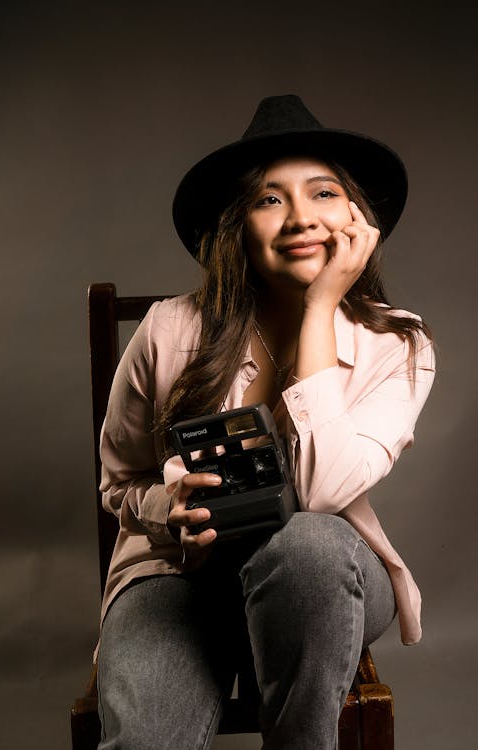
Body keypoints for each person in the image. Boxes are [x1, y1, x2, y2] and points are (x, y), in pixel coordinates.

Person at [95, 95, 435, 750]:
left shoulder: (398, 345)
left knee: (309, 539)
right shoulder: (170, 330)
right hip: (180, 577)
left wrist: (319, 309)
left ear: (357, 217)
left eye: (325, 192)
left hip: (320, 584)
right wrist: (171, 505)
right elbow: (119, 483)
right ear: (236, 226)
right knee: (145, 738)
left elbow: (325, 491)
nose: (302, 218)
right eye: (270, 199)